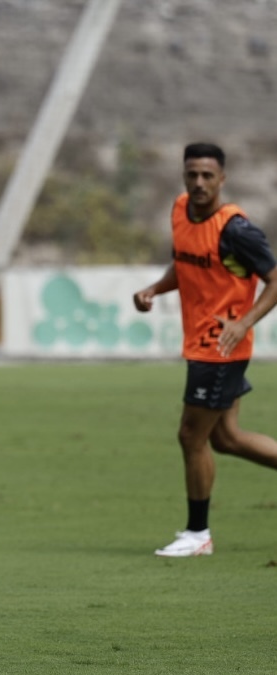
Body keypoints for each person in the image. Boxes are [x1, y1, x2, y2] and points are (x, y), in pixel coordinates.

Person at [133, 142, 277, 557]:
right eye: (192, 174)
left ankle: (198, 535)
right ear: (183, 175)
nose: (198, 183)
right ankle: (198, 535)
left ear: (222, 179)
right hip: (201, 345)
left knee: (190, 436)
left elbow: (276, 278)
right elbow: (184, 261)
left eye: (207, 176)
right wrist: (155, 289)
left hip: (220, 347)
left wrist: (244, 321)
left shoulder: (236, 230)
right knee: (227, 439)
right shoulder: (180, 210)